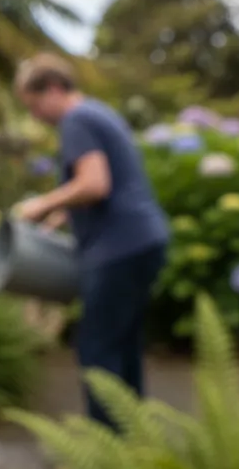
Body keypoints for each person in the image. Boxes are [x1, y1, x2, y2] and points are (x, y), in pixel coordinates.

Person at [12, 53, 169, 427]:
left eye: (34, 105)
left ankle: (107, 455)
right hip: (143, 240)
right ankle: (135, 439)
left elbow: (95, 184)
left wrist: (40, 204)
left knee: (98, 350)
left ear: (53, 88)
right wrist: (63, 213)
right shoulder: (100, 113)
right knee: (124, 345)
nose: (35, 115)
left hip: (117, 248)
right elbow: (113, 182)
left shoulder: (76, 120)